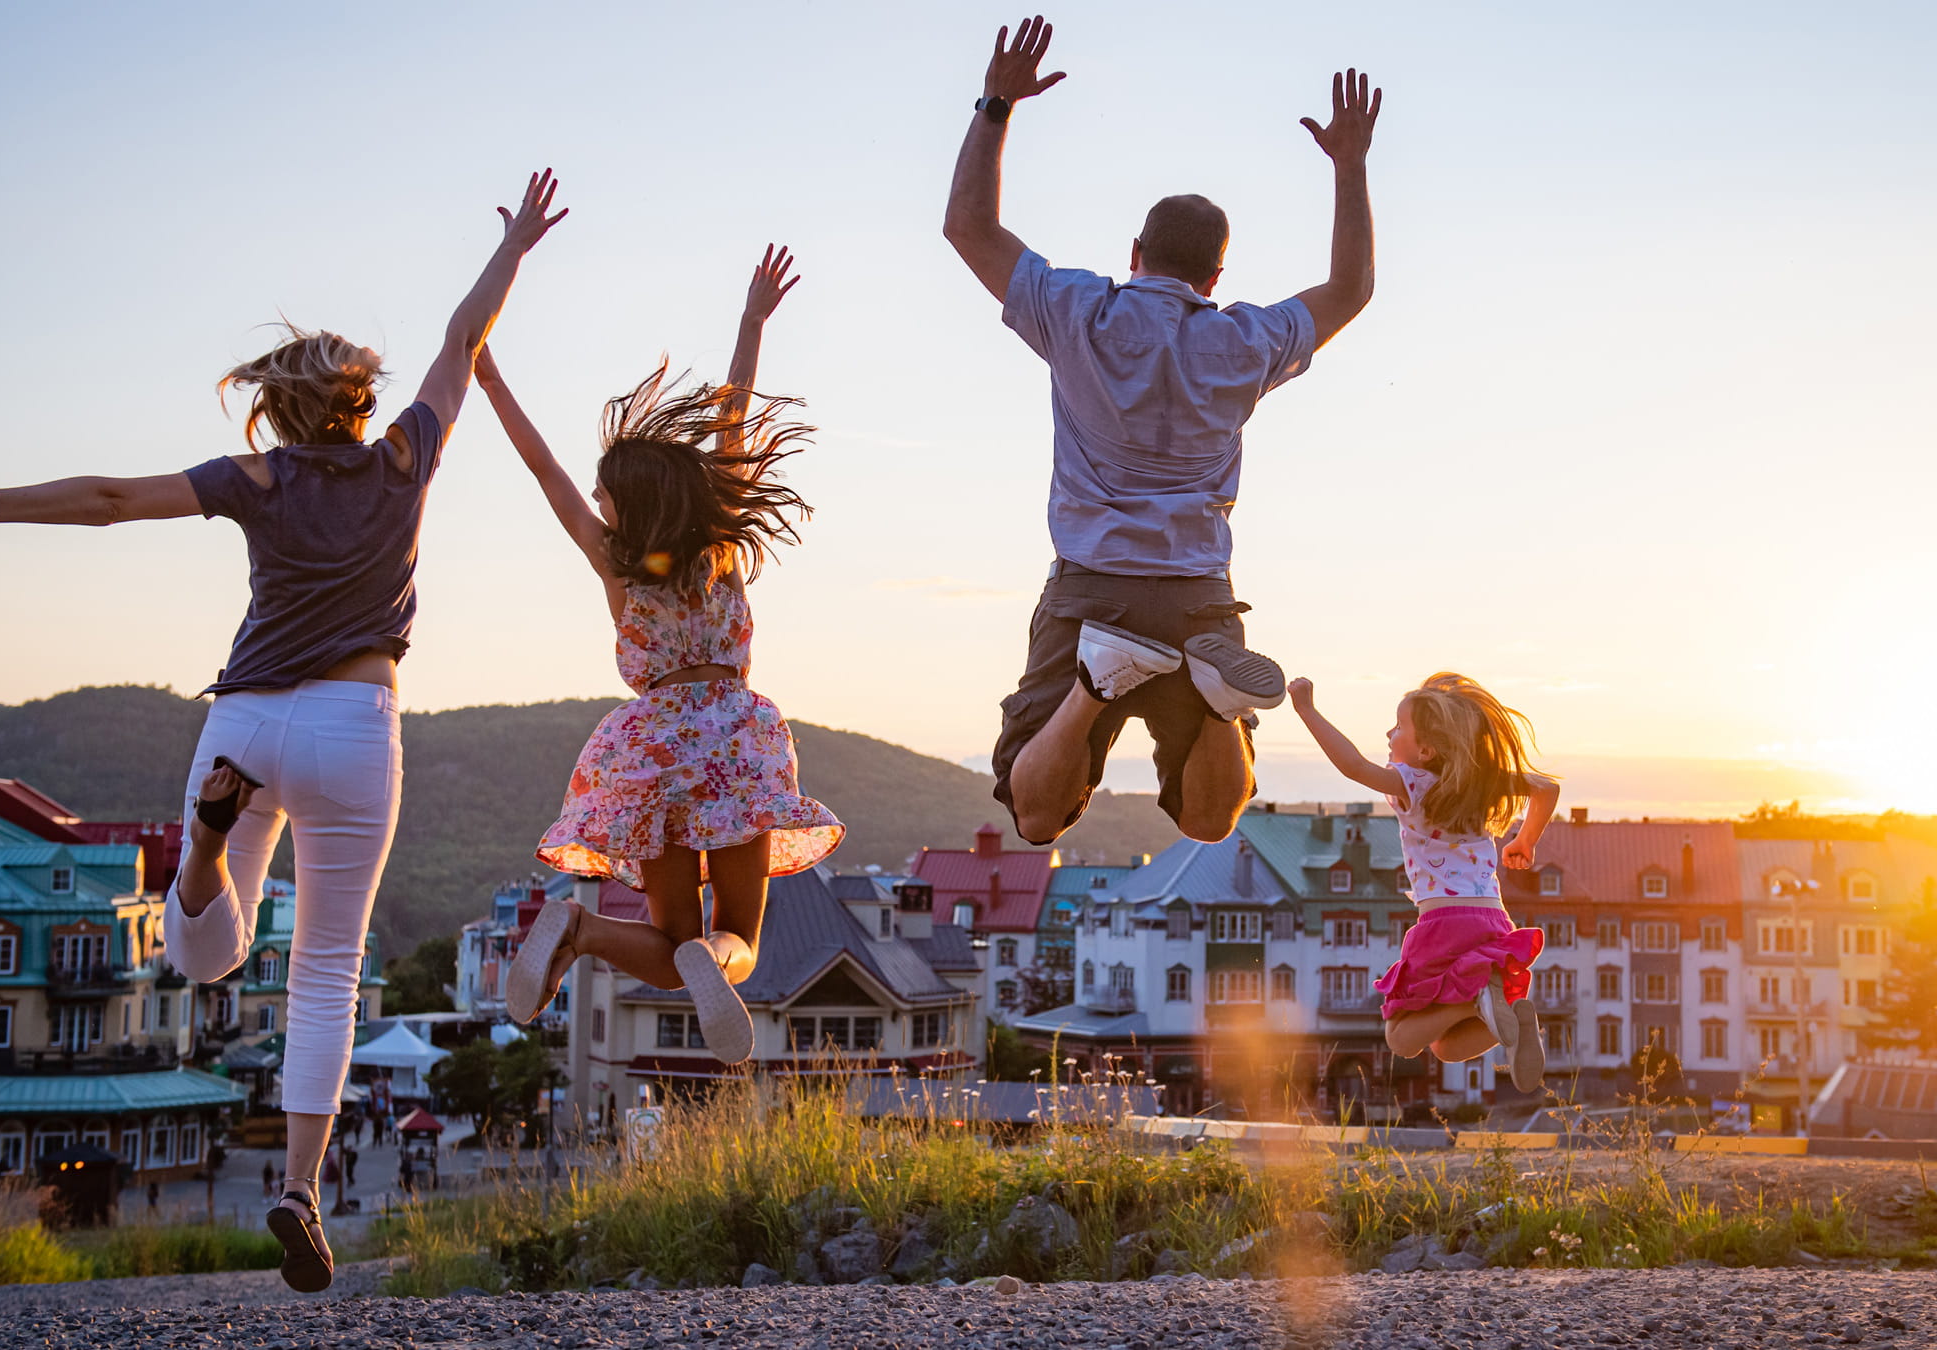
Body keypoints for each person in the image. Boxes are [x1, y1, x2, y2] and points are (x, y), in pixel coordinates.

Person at [0, 170, 568, 1292]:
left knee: (198, 956)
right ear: (359, 401)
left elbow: (113, 497)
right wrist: (515, 251)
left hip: (246, 722)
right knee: (327, 971)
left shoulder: (255, 476)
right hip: (358, 726)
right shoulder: (406, 458)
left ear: (284, 409)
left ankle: (205, 856)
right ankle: (301, 1191)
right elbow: (464, 336)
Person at [943, 16, 1384, 847]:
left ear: (1135, 251)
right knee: (1212, 821)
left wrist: (997, 103)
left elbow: (967, 225)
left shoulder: (1077, 311)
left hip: (1091, 587)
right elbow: (1351, 287)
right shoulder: (1243, 340)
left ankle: (1092, 687)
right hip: (1198, 596)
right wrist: (1352, 167)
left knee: (1035, 817)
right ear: (1216, 275)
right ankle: (1220, 702)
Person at [477, 244, 842, 1065]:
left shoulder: (615, 563)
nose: (597, 501)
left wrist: (490, 379)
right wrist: (751, 322)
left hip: (652, 746)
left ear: (628, 505)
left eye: (605, 493)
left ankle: (577, 926)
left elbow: (543, 471)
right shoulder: (718, 542)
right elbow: (732, 416)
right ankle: (719, 963)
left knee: (664, 937)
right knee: (730, 936)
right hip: (735, 740)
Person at [1287, 674, 1560, 1091]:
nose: (1389, 733)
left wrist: (1306, 709)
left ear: (1426, 750)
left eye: (1399, 728)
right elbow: (1546, 788)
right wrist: (1525, 841)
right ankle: (1501, 1009)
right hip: (1492, 920)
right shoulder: (1480, 782)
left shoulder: (1412, 783)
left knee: (1400, 1037)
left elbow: (1353, 765)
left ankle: (1477, 998)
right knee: (1447, 1049)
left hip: (1443, 923)